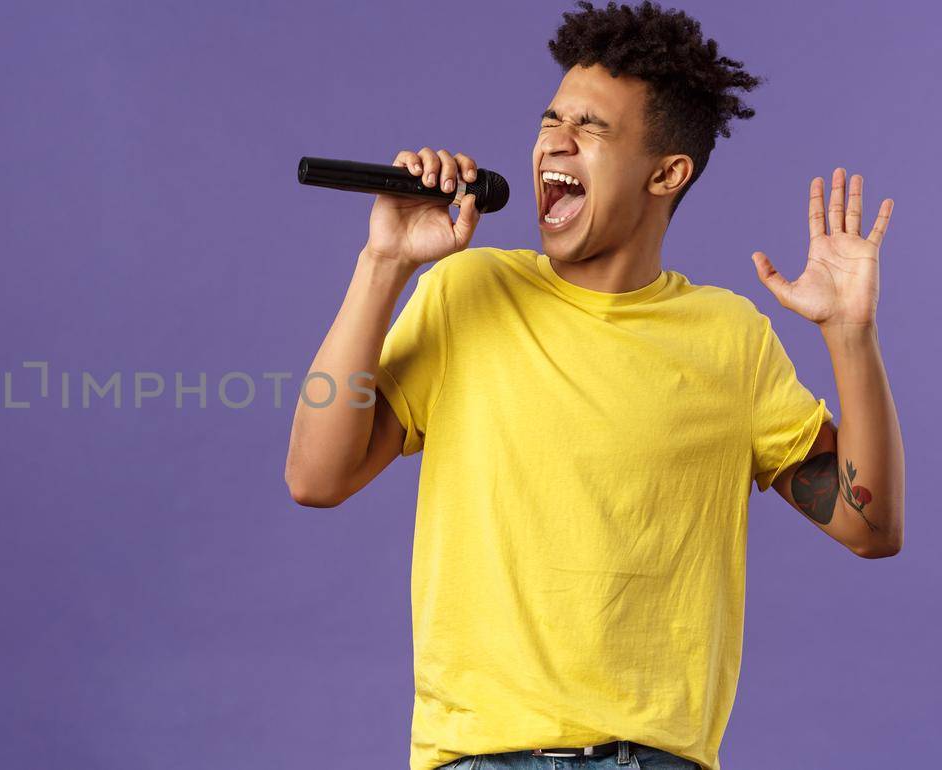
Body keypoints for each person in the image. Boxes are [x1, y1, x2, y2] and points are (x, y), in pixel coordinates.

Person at [281, 2, 906, 769]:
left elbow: (871, 529)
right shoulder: (468, 291)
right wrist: (384, 264)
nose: (555, 140)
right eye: (552, 119)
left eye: (592, 128)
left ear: (666, 172)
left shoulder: (729, 338)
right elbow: (314, 477)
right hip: (479, 757)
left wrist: (849, 335)